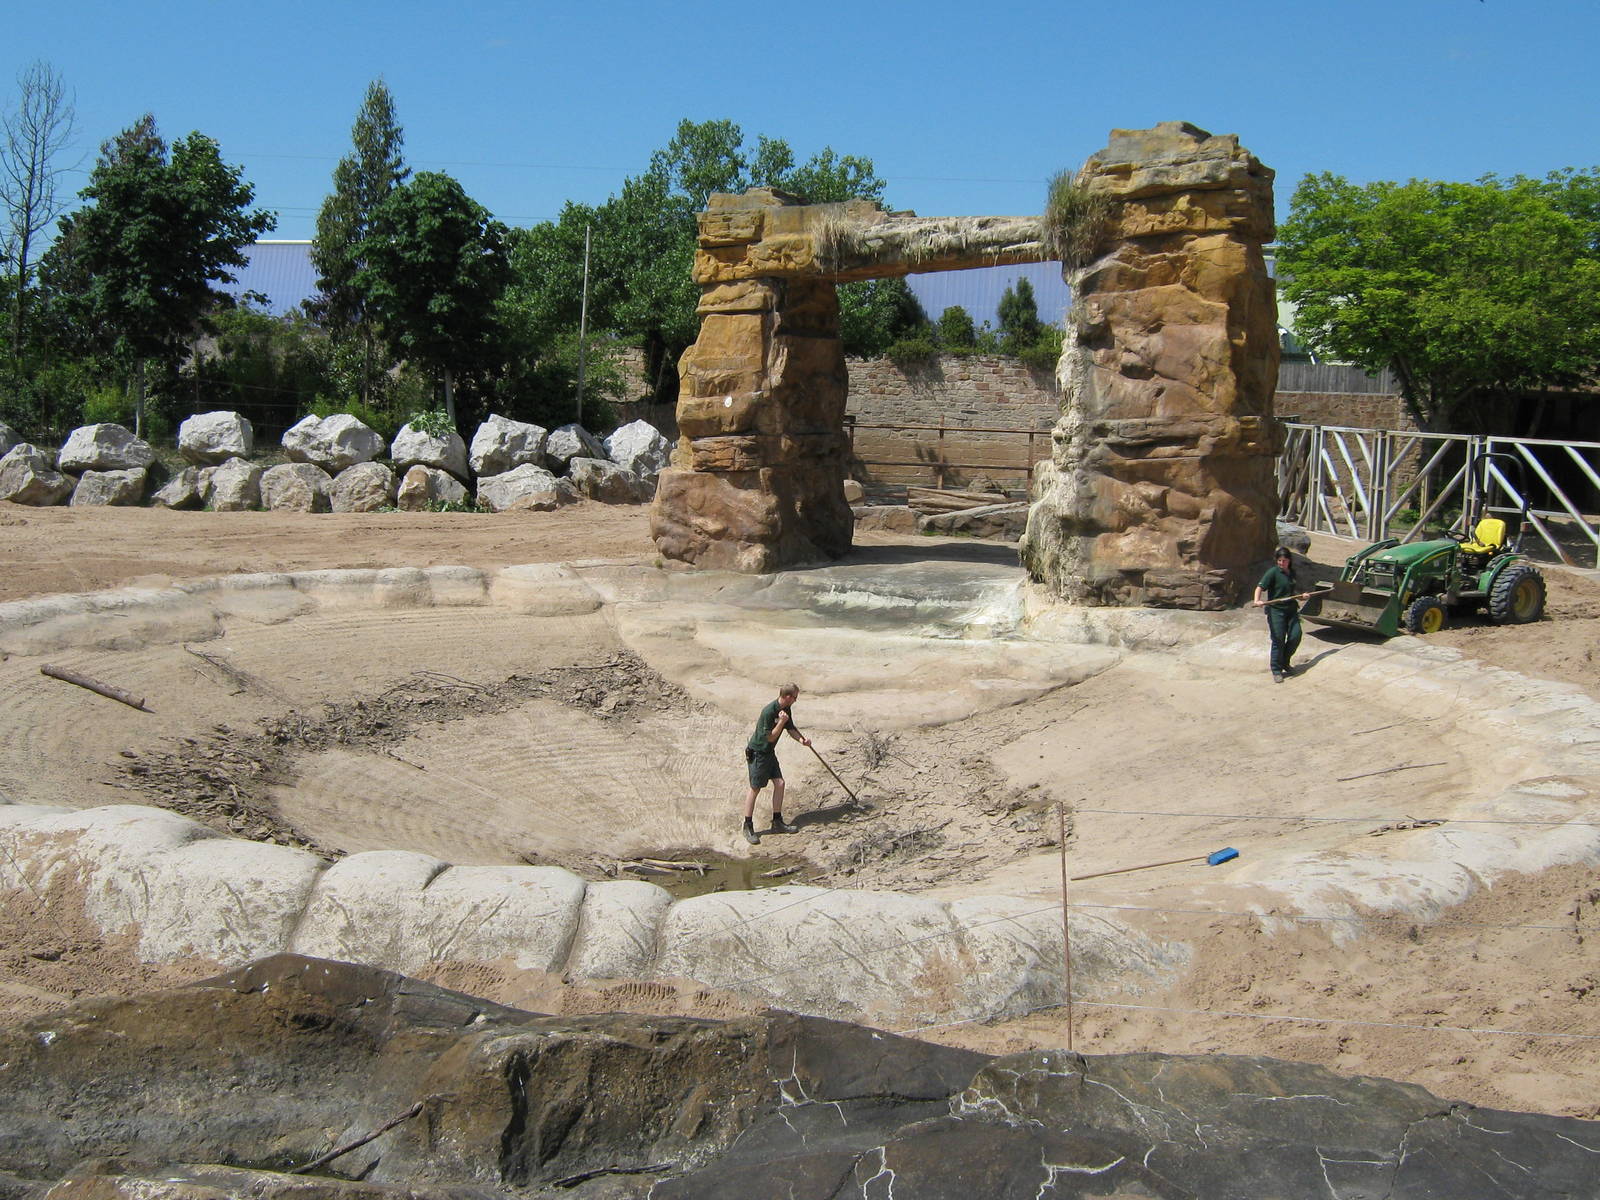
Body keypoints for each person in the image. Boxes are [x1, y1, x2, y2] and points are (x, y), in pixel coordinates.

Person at [742, 682, 810, 845]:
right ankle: (747, 825)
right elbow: (770, 737)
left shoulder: (786, 709)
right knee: (755, 788)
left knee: (780, 783)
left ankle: (777, 822)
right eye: (794, 697)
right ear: (787, 696)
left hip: (769, 753)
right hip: (758, 753)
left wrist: (802, 740)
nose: (795, 700)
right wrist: (780, 722)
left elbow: (791, 728)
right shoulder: (768, 711)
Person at [1253, 546, 1312, 682]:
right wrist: (1257, 600)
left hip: (1291, 610)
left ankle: (1285, 661)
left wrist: (1302, 596)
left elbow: (1293, 594)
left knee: (1296, 636)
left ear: (1289, 561)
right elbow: (1259, 587)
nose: (1281, 563)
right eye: (1279, 560)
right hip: (1276, 611)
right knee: (1278, 639)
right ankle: (1276, 669)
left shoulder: (1291, 573)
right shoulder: (1273, 572)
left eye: (1284, 560)